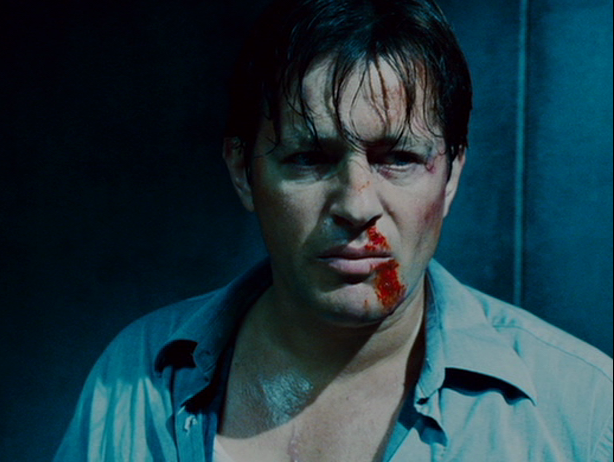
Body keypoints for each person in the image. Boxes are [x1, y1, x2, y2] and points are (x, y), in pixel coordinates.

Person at [54, 0, 613, 460]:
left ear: (450, 178)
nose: (356, 204)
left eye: (398, 158)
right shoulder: (135, 378)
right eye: (308, 158)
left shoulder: (582, 415)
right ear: (243, 172)